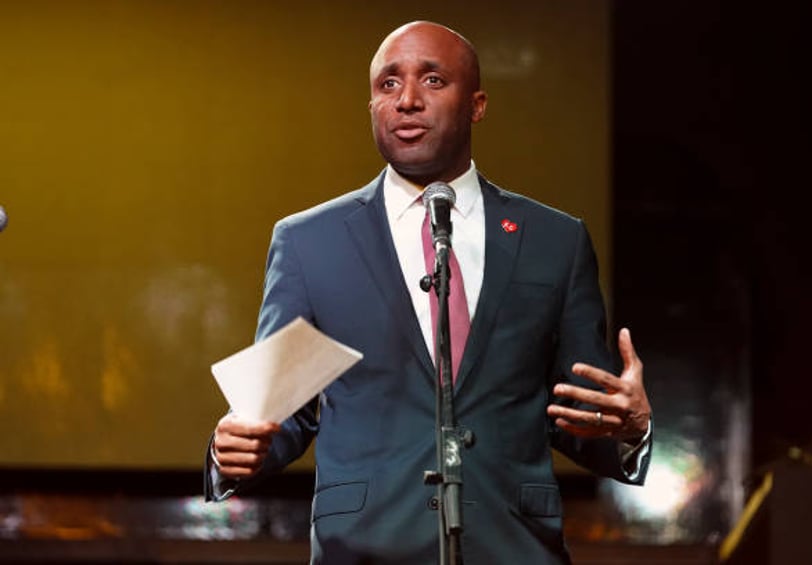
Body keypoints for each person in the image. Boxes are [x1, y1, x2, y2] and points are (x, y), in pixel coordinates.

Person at [205, 21, 652, 564]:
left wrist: (629, 430)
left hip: (512, 549)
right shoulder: (310, 242)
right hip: (366, 548)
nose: (408, 100)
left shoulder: (554, 241)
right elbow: (278, 415)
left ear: (478, 104)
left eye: (433, 80)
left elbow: (579, 412)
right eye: (388, 85)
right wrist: (233, 449)